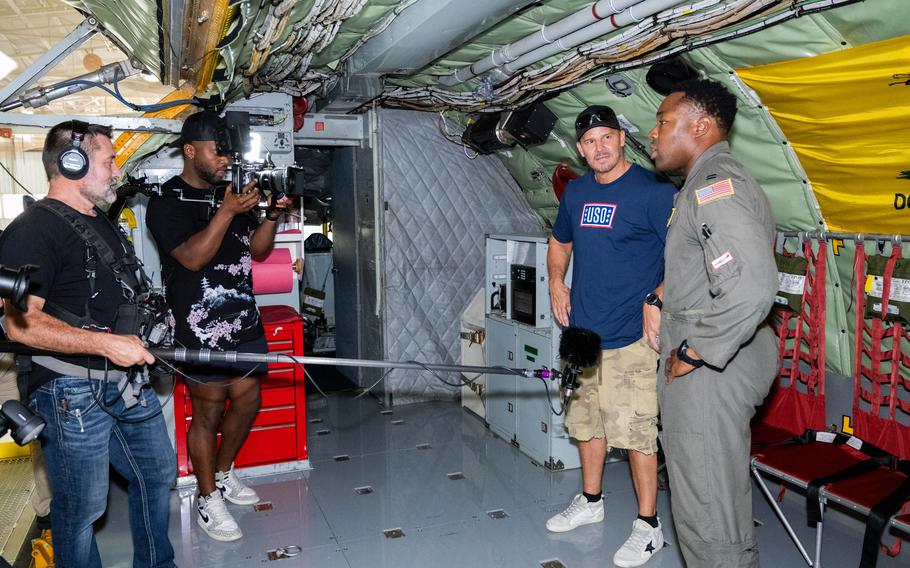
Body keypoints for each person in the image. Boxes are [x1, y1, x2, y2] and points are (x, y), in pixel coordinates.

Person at [0, 121, 175, 568]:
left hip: (124, 380)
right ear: (71, 164)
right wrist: (107, 345)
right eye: (109, 160)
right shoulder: (33, 229)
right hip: (69, 392)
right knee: (81, 511)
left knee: (156, 475)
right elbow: (20, 326)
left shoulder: (102, 223)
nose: (117, 171)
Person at [648, 79, 778, 567]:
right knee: (715, 497)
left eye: (663, 122)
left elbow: (750, 287)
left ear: (701, 126)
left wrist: (693, 351)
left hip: (712, 369)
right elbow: (709, 269)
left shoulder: (713, 186)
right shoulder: (708, 182)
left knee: (707, 512)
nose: (652, 133)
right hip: (724, 358)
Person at [146, 110, 290, 542]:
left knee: (247, 402)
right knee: (208, 411)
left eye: (228, 152)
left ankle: (224, 474)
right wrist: (226, 212)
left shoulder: (228, 192)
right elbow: (191, 257)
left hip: (243, 318)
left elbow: (259, 250)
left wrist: (269, 215)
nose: (225, 160)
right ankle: (208, 497)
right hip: (199, 324)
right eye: (217, 152)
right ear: (191, 151)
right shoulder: (166, 200)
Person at [547, 105, 676, 567]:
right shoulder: (577, 192)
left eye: (606, 137)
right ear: (580, 149)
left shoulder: (654, 192)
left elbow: (687, 254)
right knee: (586, 425)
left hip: (631, 337)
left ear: (622, 138)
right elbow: (560, 240)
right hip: (582, 333)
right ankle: (591, 500)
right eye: (588, 141)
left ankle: (648, 526)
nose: (598, 148)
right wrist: (556, 280)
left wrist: (656, 298)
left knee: (637, 434)